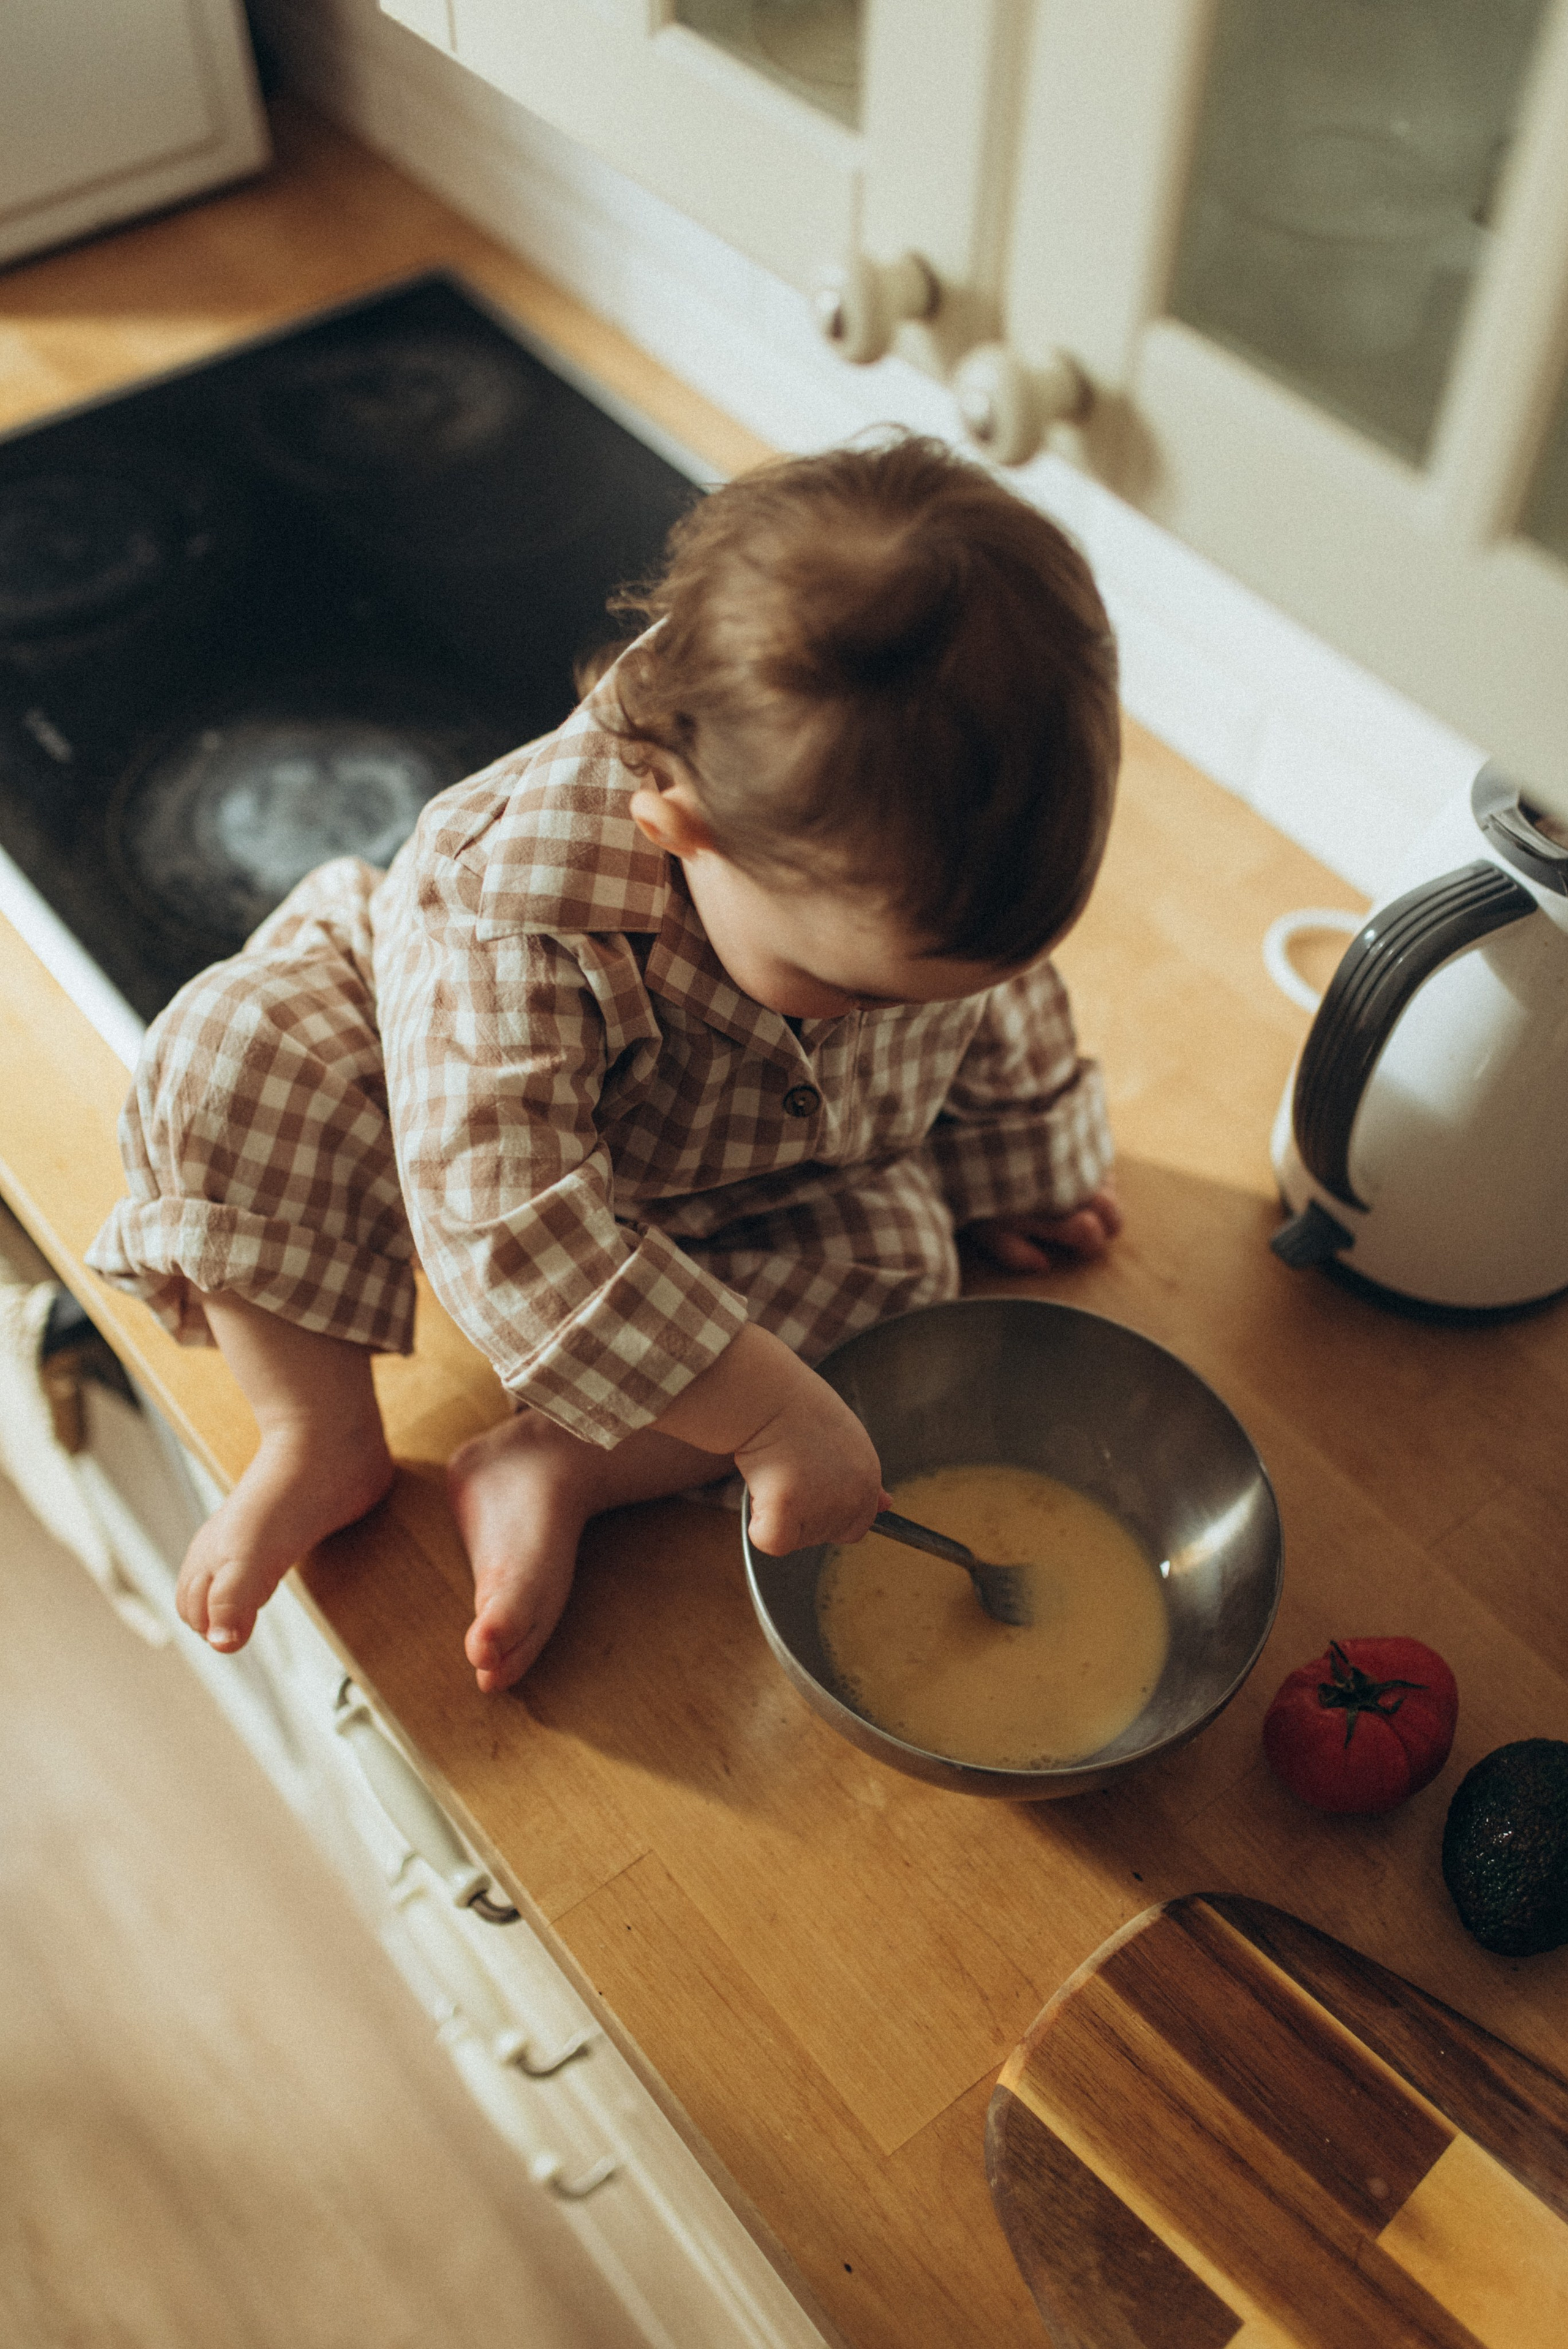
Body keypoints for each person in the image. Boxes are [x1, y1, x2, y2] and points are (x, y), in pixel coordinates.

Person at [87, 433, 1122, 1694]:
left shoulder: (888, 868)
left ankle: (560, 1461)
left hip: (734, 1173)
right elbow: (510, 1230)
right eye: (858, 992)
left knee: (907, 1270)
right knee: (225, 1054)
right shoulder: (516, 914)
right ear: (679, 829)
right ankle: (319, 1434)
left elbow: (990, 993)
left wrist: (1022, 1164)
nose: (894, 1016)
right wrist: (765, 1412)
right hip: (451, 1131)